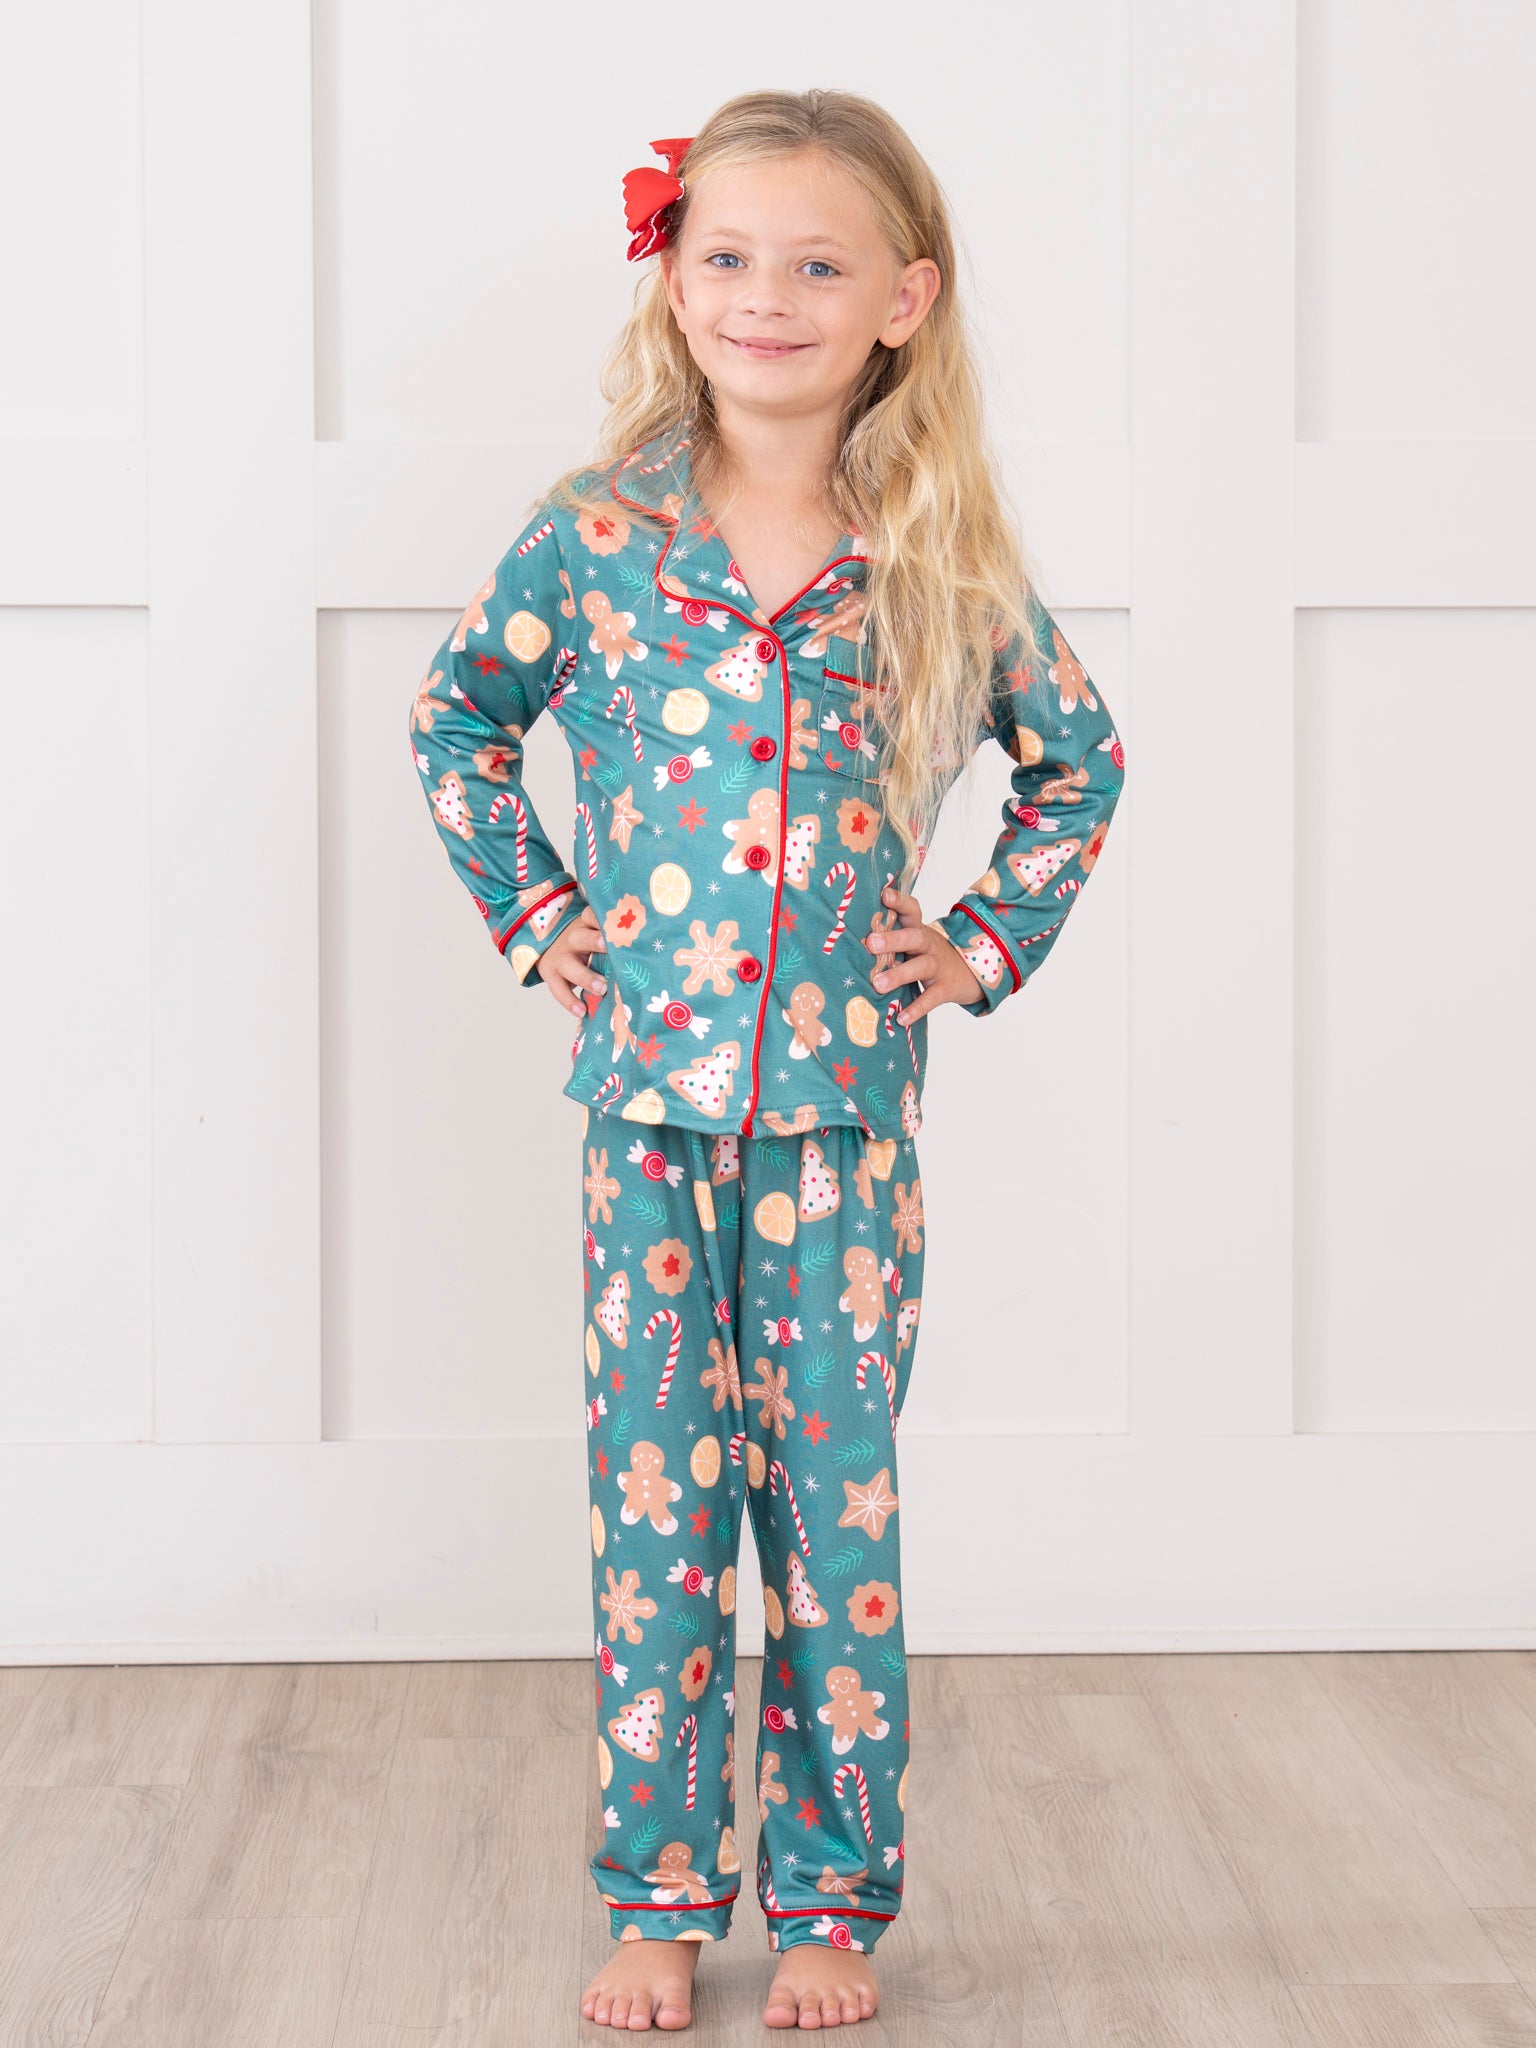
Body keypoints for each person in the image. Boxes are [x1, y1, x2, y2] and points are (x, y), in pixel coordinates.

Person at [408, 87, 1126, 2035]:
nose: (765, 296)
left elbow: (1077, 762)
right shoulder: (599, 535)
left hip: (841, 1136)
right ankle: (656, 1895)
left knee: (831, 1529)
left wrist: (976, 945)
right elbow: (459, 717)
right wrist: (541, 914)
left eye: (816, 265)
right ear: (674, 279)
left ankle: (828, 1904)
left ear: (902, 299)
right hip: (642, 1119)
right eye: (727, 255)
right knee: (655, 1526)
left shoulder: (937, 556)